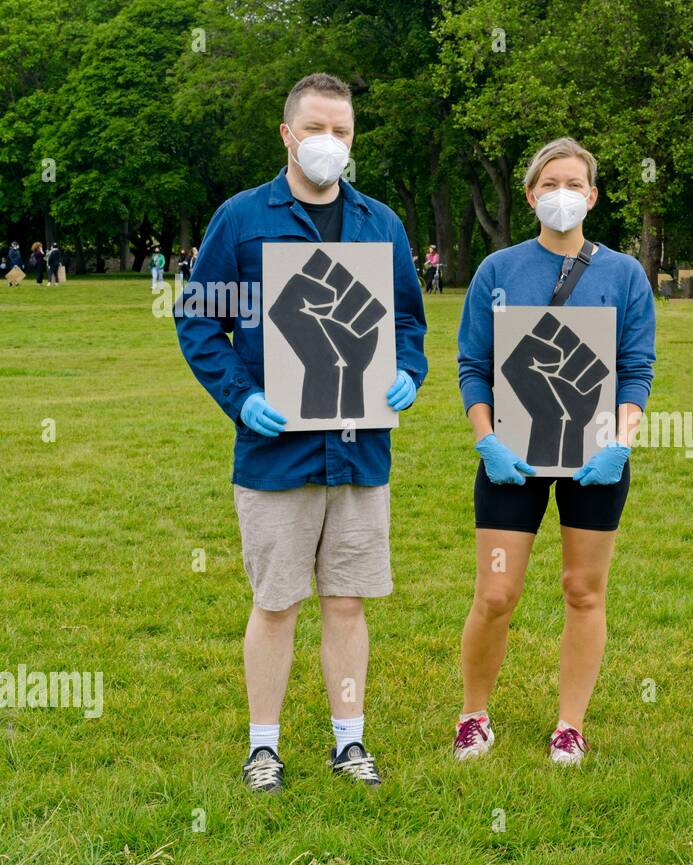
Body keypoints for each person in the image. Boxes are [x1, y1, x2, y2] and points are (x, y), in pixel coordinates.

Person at [174, 72, 428, 793]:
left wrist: (410, 369)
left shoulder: (381, 223)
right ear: (287, 134)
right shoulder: (242, 219)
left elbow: (409, 322)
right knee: (277, 600)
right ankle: (264, 748)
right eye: (315, 129)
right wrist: (241, 396)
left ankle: (350, 742)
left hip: (358, 450)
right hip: (274, 451)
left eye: (342, 132)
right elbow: (198, 320)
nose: (329, 144)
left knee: (347, 600)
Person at [454, 137, 656, 766]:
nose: (561, 195)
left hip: (595, 456)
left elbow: (636, 369)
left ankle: (570, 724)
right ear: (531, 193)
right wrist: (485, 438)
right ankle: (472, 714)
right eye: (550, 184)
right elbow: (472, 364)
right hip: (511, 453)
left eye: (574, 184)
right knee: (495, 592)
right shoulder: (498, 270)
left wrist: (621, 445)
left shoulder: (623, 274)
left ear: (592, 196)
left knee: (583, 590)